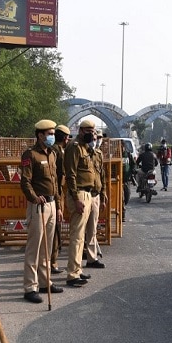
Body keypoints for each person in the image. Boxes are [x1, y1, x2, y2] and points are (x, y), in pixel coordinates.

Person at [20, 119, 65, 302]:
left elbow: (55, 182)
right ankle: (30, 287)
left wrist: (59, 206)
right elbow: (25, 181)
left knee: (47, 247)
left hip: (52, 204)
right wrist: (33, 197)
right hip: (38, 205)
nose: (52, 137)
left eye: (53, 133)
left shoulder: (52, 153)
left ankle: (45, 281)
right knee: (35, 247)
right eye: (49, 134)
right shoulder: (30, 154)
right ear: (40, 135)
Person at [63, 119, 98, 287]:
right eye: (89, 130)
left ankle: (77, 270)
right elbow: (70, 174)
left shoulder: (85, 148)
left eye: (94, 130)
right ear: (81, 131)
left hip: (88, 194)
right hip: (79, 195)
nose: (92, 133)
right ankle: (72, 274)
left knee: (81, 236)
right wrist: (76, 198)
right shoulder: (74, 147)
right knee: (76, 236)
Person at [84, 130, 107, 269]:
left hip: (95, 195)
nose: (96, 140)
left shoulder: (98, 154)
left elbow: (101, 176)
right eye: (94, 138)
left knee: (92, 229)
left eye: (97, 138)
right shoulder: (80, 152)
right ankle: (77, 262)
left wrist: (103, 194)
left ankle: (91, 258)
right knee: (79, 232)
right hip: (83, 195)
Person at [50, 124, 70, 274]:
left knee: (55, 228)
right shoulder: (57, 151)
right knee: (55, 228)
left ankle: (51, 260)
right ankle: (53, 261)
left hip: (58, 191)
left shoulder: (57, 150)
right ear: (64, 138)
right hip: (56, 192)